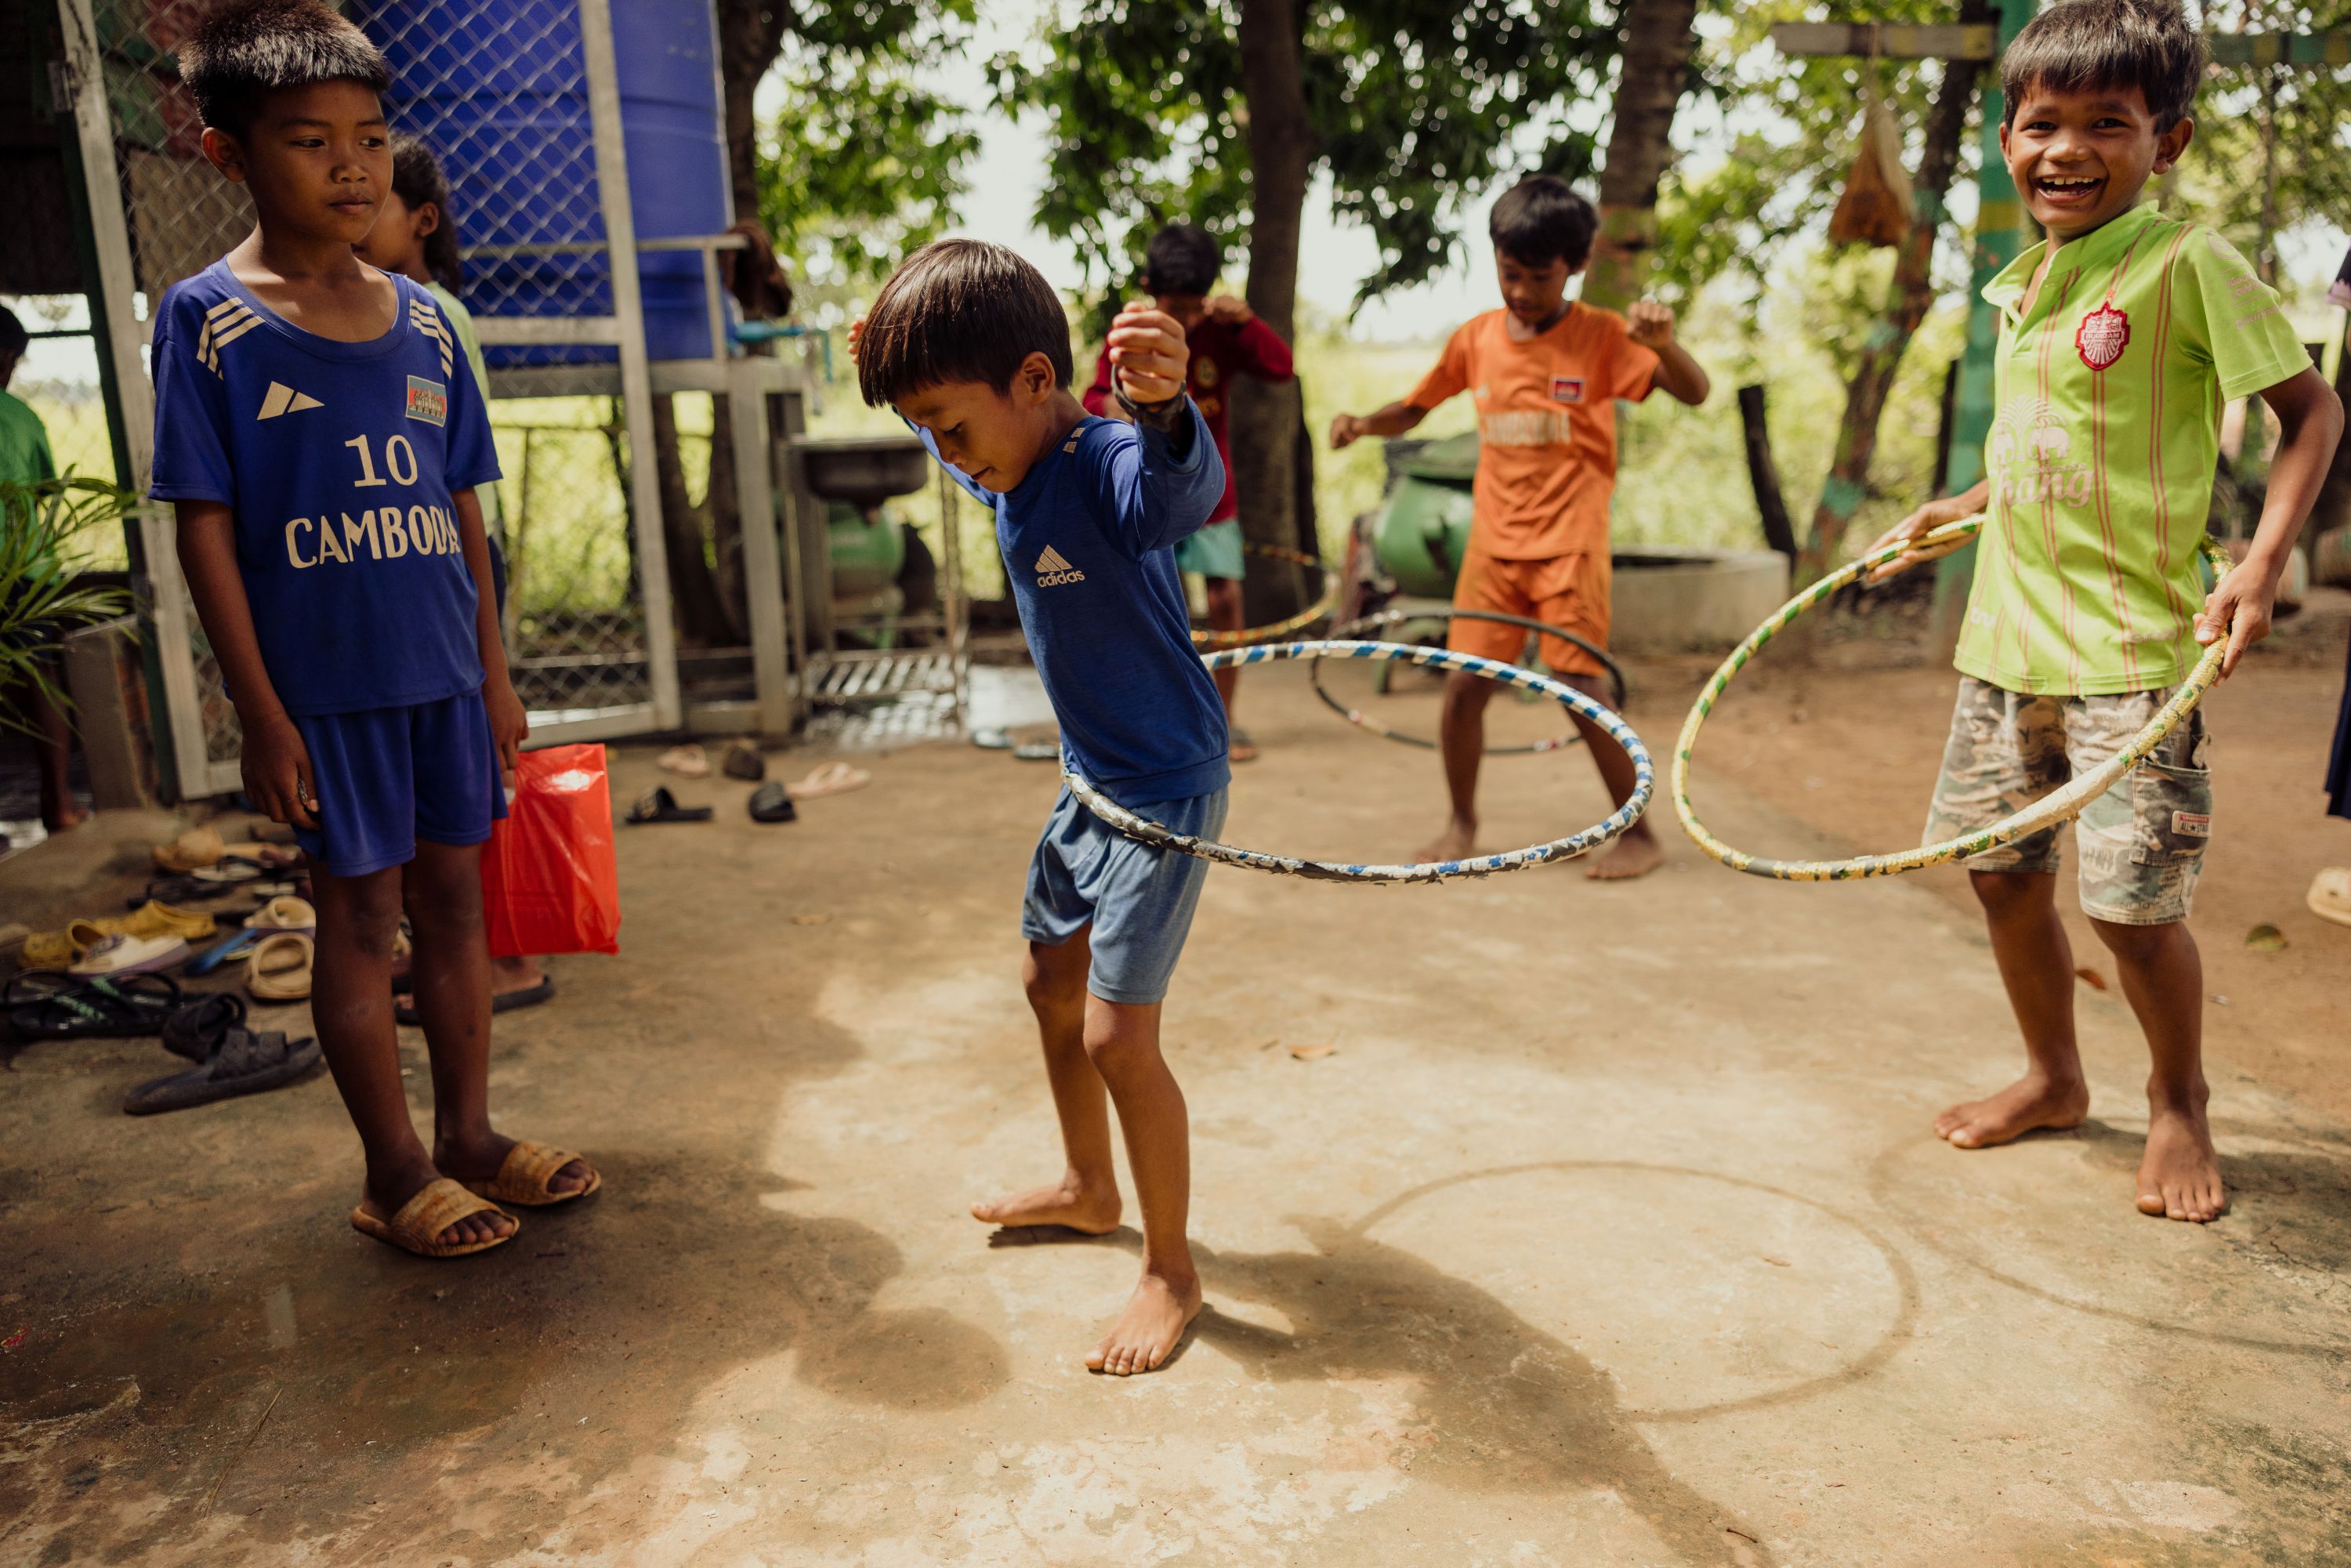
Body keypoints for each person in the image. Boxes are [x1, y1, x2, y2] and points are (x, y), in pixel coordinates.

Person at [1867, 0, 2343, 1223]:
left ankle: (2179, 1102)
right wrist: (1959, 502)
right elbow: (2049, 449)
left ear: (2166, 140)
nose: (2065, 149)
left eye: (2105, 123)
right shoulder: (2025, 283)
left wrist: (2257, 565)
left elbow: (2316, 415)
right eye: (2041, 124)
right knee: (1999, 875)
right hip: (2006, 645)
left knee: (2129, 912)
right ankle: (2054, 1075)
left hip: (2134, 654)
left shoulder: (2191, 266)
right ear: (2009, 136)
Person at [151, 0, 597, 1257]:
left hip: (444, 681)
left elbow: (466, 518)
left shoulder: (426, 324)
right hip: (326, 695)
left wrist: (496, 680)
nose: (351, 165)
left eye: (370, 136)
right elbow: (205, 527)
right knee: (357, 923)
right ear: (230, 153)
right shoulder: (208, 322)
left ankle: (468, 1137)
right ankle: (392, 1170)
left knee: (459, 911)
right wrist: (261, 712)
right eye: (310, 140)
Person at [852, 240, 1226, 1375]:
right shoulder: (1003, 459)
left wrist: (1166, 412)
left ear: (1031, 380)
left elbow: (1178, 492)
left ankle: (1172, 1269)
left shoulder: (1107, 459)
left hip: (1162, 782)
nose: (945, 454)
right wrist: (902, 379)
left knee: (1118, 1032)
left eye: (948, 426)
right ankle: (1087, 1183)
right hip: (1089, 778)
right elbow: (969, 444)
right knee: (1045, 978)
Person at [1329, 176, 1710, 875]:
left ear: (1576, 268)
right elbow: (1414, 409)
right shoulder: (1476, 340)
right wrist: (1361, 425)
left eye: (1541, 277)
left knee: (1579, 685)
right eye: (1511, 274)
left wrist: (1667, 345)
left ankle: (1640, 834)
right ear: (1495, 259)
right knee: (1464, 686)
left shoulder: (1600, 336)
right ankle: (1461, 822)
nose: (1524, 292)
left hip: (1570, 545)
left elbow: (1694, 391)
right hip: (1494, 546)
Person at [353, 132, 552, 1017]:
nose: (357, 219)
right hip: (425, 558)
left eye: (378, 202)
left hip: (460, 558)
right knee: (451, 766)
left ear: (421, 220)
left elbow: (451, 465)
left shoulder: (429, 313)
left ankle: (510, 957)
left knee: (477, 756)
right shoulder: (383, 306)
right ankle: (447, 946)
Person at [1081, 223, 1293, 761]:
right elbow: (1094, 396)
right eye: (1177, 305)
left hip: (1212, 496)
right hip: (1150, 495)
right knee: (1152, 606)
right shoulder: (1133, 332)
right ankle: (1160, 723)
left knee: (1225, 599)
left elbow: (1280, 367)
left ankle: (1225, 722)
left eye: (1196, 306)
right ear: (1150, 287)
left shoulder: (1222, 331)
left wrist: (1246, 322)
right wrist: (1118, 407)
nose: (1188, 318)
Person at [0, 305, 85, 835]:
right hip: (25, 574)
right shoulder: (21, 417)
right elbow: (48, 489)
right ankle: (57, 803)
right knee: (42, 682)